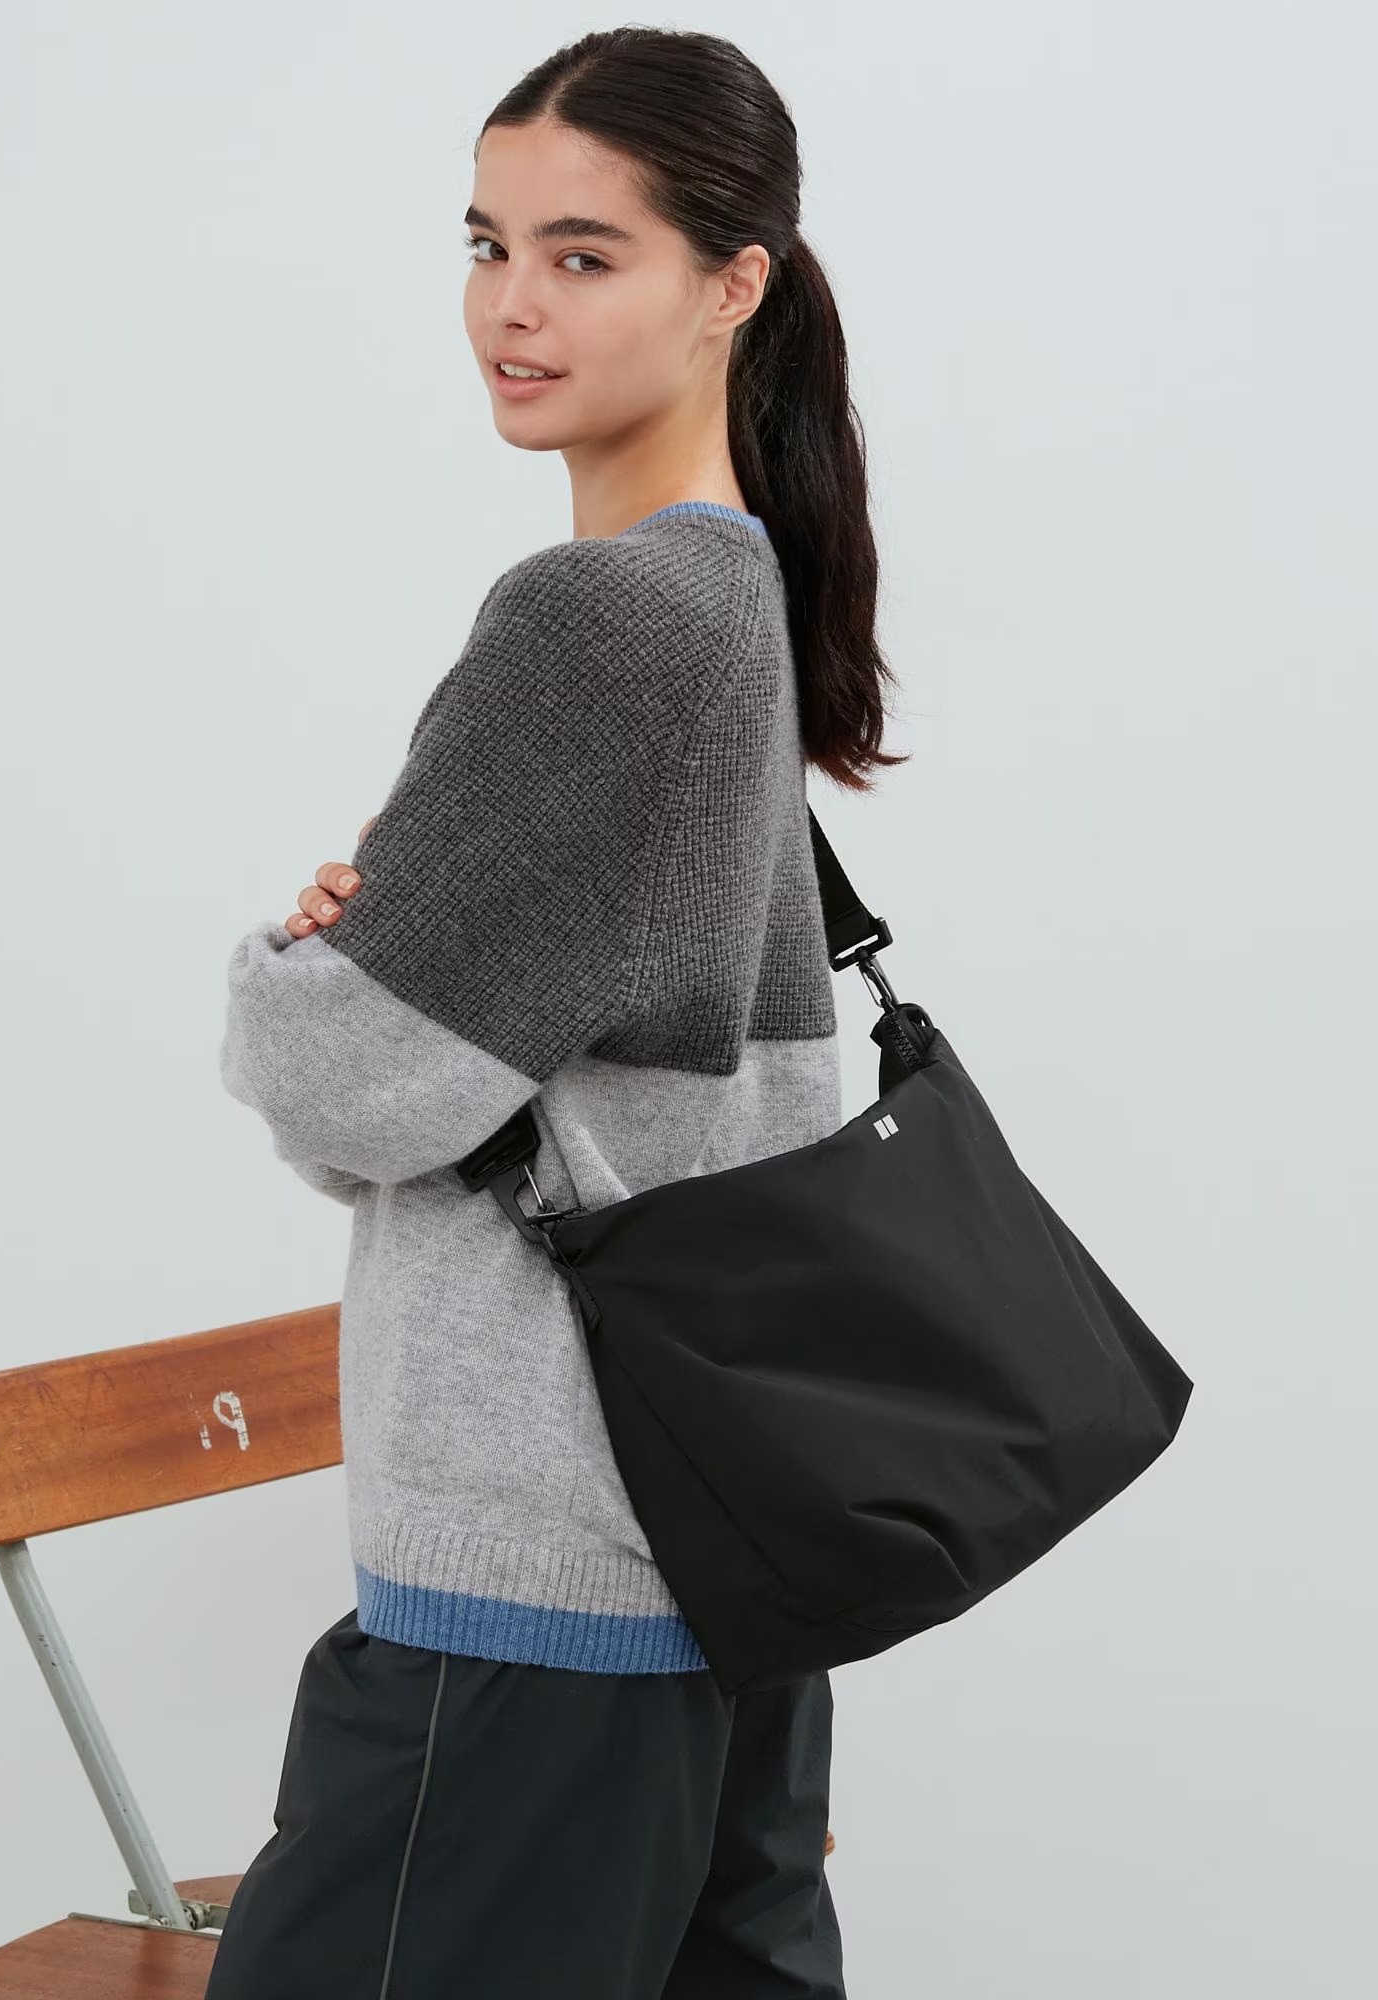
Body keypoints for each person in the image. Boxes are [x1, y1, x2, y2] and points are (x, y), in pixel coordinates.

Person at [209, 25, 905, 1999]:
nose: (511, 306)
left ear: (733, 285)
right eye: (486, 243)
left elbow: (350, 1081)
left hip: (538, 1601)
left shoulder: (603, 620)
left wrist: (292, 969)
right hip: (713, 1564)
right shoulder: (737, 600)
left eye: (584, 255)